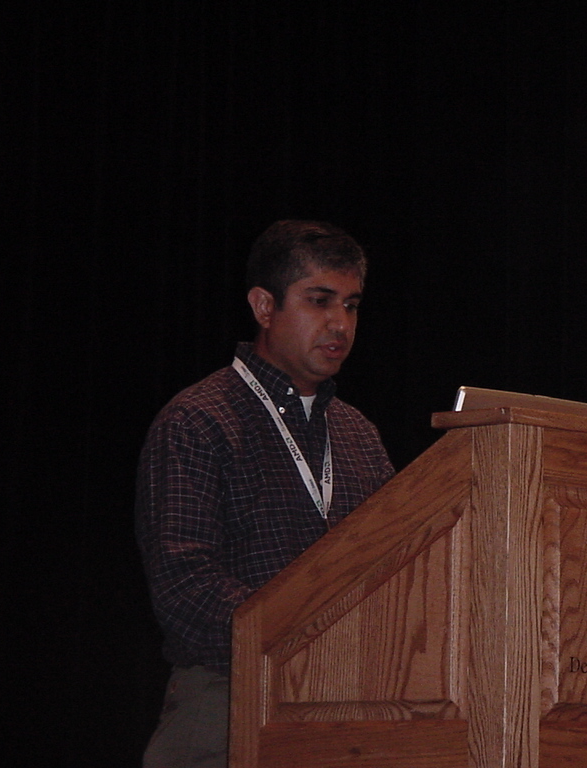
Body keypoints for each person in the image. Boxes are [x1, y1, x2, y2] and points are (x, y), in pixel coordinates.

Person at [136, 220, 394, 768]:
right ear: (263, 306)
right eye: (319, 301)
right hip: (227, 700)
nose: (340, 323)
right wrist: (305, 633)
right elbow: (185, 589)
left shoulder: (359, 434)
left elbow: (395, 565)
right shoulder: (197, 420)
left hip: (348, 704)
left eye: (351, 305)